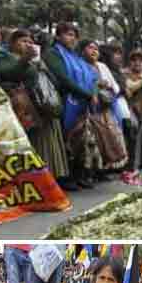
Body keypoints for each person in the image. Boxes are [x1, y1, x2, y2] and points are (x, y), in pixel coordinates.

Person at [0, 29, 74, 190]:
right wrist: (25, 60)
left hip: (45, 105)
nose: (28, 44)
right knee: (35, 142)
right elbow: (7, 73)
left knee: (50, 141)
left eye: (30, 41)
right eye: (23, 41)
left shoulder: (37, 59)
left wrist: (40, 65)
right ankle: (36, 182)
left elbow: (53, 80)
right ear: (12, 43)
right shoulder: (4, 55)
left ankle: (53, 178)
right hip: (26, 107)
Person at [42, 22, 99, 190]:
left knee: (79, 140)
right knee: (64, 141)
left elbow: (92, 76)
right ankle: (64, 178)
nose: (71, 38)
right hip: (63, 101)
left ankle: (78, 175)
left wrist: (93, 93)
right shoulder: (53, 54)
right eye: (67, 34)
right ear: (58, 36)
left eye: (74, 35)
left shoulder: (75, 57)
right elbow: (63, 78)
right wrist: (88, 95)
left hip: (81, 102)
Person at [78, 39, 129, 177]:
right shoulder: (80, 66)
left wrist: (107, 86)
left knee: (107, 139)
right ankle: (89, 174)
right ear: (82, 51)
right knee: (90, 142)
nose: (94, 51)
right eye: (90, 48)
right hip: (88, 109)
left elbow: (116, 87)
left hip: (106, 109)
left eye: (96, 48)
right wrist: (95, 86)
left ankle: (103, 169)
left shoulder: (103, 67)